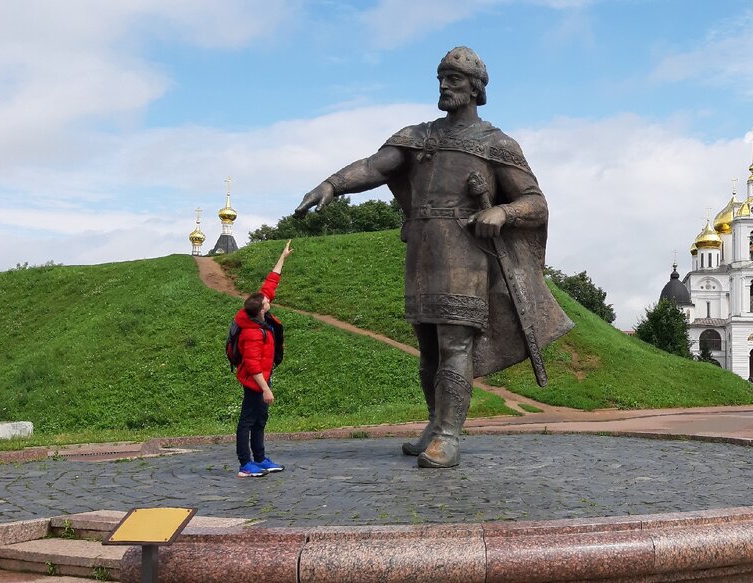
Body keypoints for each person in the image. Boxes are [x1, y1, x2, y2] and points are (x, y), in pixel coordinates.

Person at [294, 47, 572, 468]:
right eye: (441, 78)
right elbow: (375, 166)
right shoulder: (418, 136)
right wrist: (332, 184)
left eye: (454, 79)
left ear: (476, 89)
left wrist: (503, 210)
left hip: (466, 254)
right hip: (424, 252)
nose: (444, 85)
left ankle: (449, 434)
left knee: (455, 342)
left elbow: (536, 203)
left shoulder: (496, 144)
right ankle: (433, 422)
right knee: (427, 348)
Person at [235, 240, 293, 477]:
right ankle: (245, 464)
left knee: (260, 419)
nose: (270, 300)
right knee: (247, 421)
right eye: (267, 302)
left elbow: (270, 284)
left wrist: (283, 257)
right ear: (261, 309)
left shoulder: (258, 315)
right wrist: (265, 389)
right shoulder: (251, 332)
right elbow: (252, 364)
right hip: (254, 381)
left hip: (263, 378)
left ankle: (260, 459)